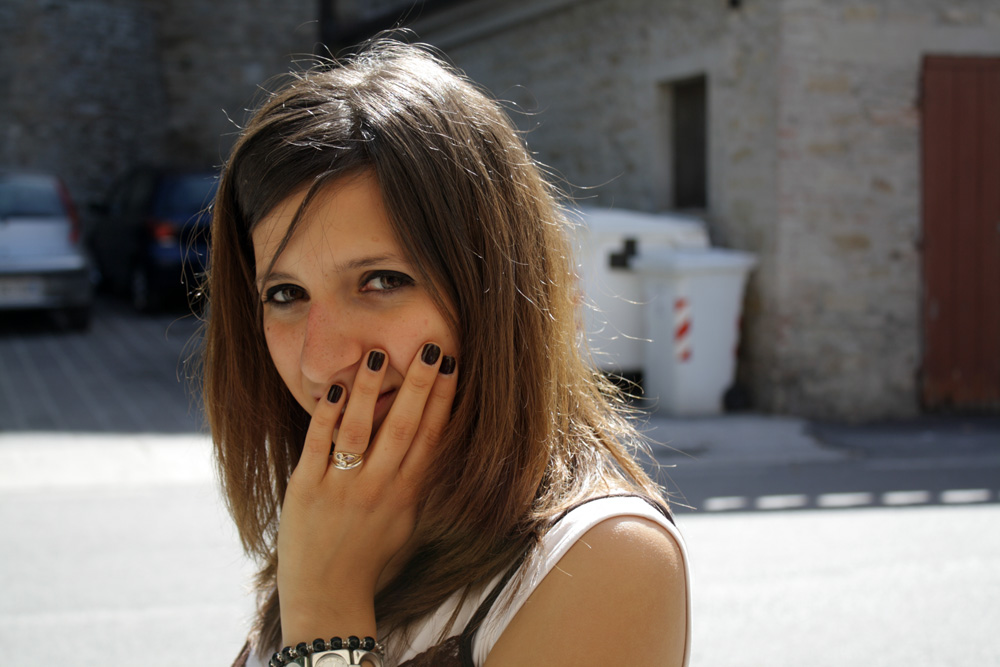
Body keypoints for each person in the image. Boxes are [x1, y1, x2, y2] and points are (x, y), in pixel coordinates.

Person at [202, 38, 689, 667]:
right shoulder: (339, 517)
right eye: (286, 294)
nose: (321, 360)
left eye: (382, 281)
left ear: (494, 290)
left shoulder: (606, 557)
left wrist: (325, 613)